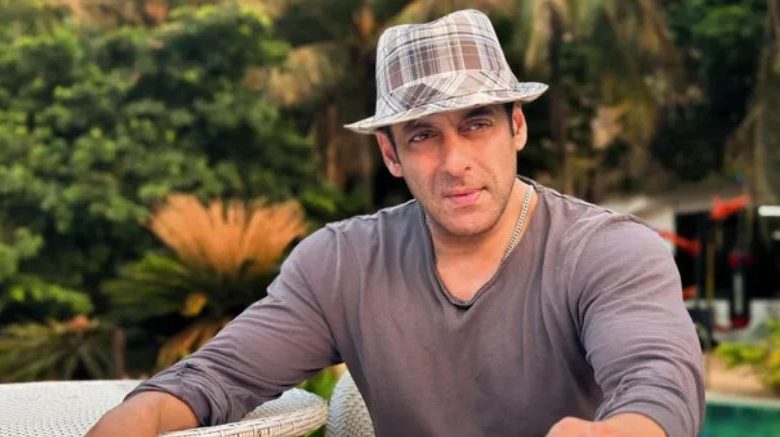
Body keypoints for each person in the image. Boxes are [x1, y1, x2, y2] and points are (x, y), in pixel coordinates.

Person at [88, 9, 704, 437]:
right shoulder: (341, 264)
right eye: (423, 136)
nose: (455, 162)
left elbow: (657, 378)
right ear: (390, 154)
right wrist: (137, 417)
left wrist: (623, 430)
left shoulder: (608, 251)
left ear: (517, 126)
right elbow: (218, 376)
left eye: (477, 124)